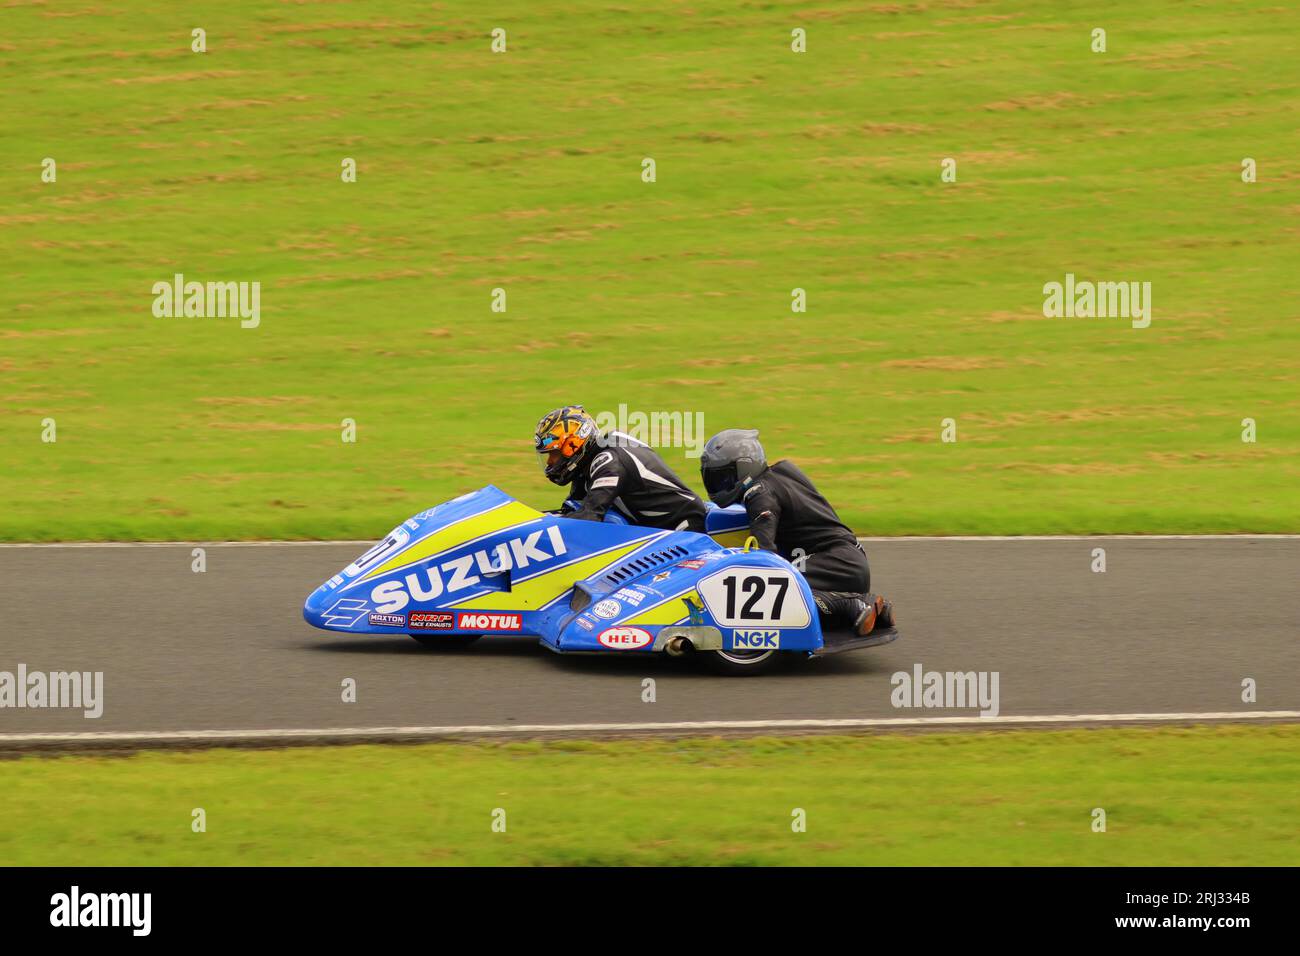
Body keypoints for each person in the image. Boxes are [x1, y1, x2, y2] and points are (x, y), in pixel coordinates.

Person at [699, 428, 895, 636]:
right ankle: (879, 612)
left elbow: (764, 549)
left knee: (773, 583)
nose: (719, 485)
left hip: (835, 561)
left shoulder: (759, 493)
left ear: (744, 468)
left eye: (724, 478)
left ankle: (853, 605)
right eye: (713, 479)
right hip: (847, 559)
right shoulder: (782, 474)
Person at [533, 405, 707, 532]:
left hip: (684, 529)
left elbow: (589, 517)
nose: (549, 462)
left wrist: (536, 532)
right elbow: (573, 509)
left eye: (553, 454)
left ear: (573, 445)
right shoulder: (590, 459)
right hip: (654, 531)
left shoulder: (608, 461)